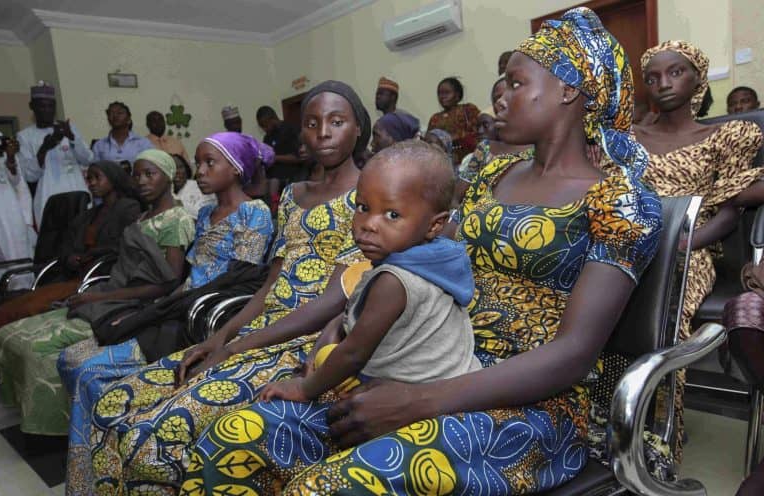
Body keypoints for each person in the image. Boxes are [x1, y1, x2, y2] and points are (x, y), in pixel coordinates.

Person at [179, 8, 662, 494]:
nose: (501, 97)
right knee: (236, 441)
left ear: (568, 90)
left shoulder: (621, 200)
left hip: (533, 402)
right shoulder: (490, 178)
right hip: (429, 353)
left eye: (516, 83)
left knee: (332, 485)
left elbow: (574, 354)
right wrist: (345, 323)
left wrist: (420, 401)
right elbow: (419, 266)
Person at [87, 80, 371, 494]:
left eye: (337, 121)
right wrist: (220, 335)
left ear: (358, 128)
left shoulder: (371, 194)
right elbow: (272, 280)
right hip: (258, 327)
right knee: (111, 402)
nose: (323, 132)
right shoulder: (293, 195)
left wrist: (236, 348)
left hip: (304, 341)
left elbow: (335, 300)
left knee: (152, 437)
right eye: (311, 123)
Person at [58, 133, 276, 495]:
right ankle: (95, 477)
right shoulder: (205, 212)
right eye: (199, 162)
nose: (199, 172)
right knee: (74, 357)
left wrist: (166, 309)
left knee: (88, 369)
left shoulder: (254, 211)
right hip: (181, 303)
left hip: (201, 316)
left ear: (237, 169)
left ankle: (109, 474)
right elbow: (188, 277)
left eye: (210, 163)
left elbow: (241, 280)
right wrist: (146, 310)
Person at [598, 40, 763, 476]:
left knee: (664, 294)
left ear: (698, 79)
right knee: (589, 290)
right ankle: (601, 415)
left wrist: (681, 243)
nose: (663, 84)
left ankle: (657, 428)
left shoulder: (727, 136)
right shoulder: (629, 140)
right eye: (652, 78)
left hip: (691, 248)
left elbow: (728, 213)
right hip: (628, 244)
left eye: (675, 73)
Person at [259, 141, 480, 408]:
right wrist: (334, 330)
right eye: (363, 207)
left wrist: (304, 389)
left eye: (392, 214)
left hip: (418, 399)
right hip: (455, 380)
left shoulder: (393, 281)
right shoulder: (437, 258)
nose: (369, 225)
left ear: (434, 225)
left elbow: (353, 354)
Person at [0, 149, 194, 439]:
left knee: (35, 348)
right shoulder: (144, 215)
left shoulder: (175, 219)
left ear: (168, 177)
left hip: (140, 303)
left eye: (150, 174)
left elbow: (167, 283)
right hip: (116, 290)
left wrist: (97, 298)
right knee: (10, 333)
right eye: (137, 174)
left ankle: (56, 426)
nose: (141, 181)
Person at [0, 161, 140, 329]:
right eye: (89, 178)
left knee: (21, 309)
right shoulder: (89, 215)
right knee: (11, 307)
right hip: (73, 275)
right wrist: (70, 257)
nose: (92, 183)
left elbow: (126, 244)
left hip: (99, 279)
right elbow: (66, 246)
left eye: (97, 178)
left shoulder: (128, 207)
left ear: (113, 179)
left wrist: (91, 254)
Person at [17, 81, 92, 226]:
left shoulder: (69, 129)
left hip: (77, 192)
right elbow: (29, 175)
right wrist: (45, 148)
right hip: (48, 196)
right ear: (32, 106)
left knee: (80, 238)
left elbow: (87, 159)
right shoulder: (24, 136)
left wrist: (72, 138)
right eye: (42, 106)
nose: (47, 110)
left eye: (51, 106)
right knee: (53, 243)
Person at [0, 130, 34, 286]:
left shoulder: (0, 145)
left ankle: (24, 291)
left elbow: (16, 179)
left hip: (11, 212)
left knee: (20, 254)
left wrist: (10, 156)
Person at [256, 105, 304, 210]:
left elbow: (298, 158)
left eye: (265, 125)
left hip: (294, 180)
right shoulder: (267, 137)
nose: (265, 129)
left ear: (272, 119)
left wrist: (275, 158)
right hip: (275, 186)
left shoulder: (291, 130)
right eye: (262, 127)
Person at [427, 77, 480, 164]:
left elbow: (478, 133)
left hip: (469, 159)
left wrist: (452, 137)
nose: (442, 97)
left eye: (447, 93)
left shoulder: (468, 109)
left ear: (457, 95)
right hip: (443, 162)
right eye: (439, 93)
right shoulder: (435, 118)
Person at [172, 153, 216, 219]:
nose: (176, 171)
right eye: (172, 168)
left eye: (180, 167)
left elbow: (204, 218)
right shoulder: (162, 194)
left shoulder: (202, 188)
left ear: (186, 169)